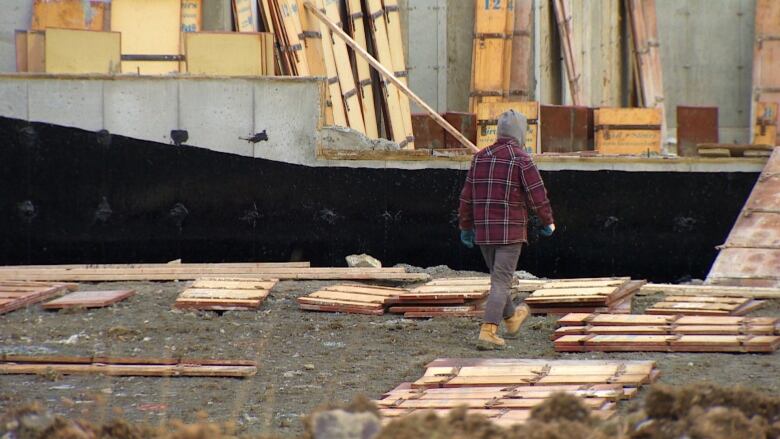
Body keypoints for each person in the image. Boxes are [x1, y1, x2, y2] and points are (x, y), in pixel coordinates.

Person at [458, 109, 555, 350]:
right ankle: (488, 330)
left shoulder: (480, 157)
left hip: (484, 233)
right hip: (510, 232)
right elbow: (537, 195)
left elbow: (466, 196)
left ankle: (512, 319)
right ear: (521, 132)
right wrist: (547, 221)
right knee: (501, 282)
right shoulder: (521, 159)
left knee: (498, 277)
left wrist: (466, 226)